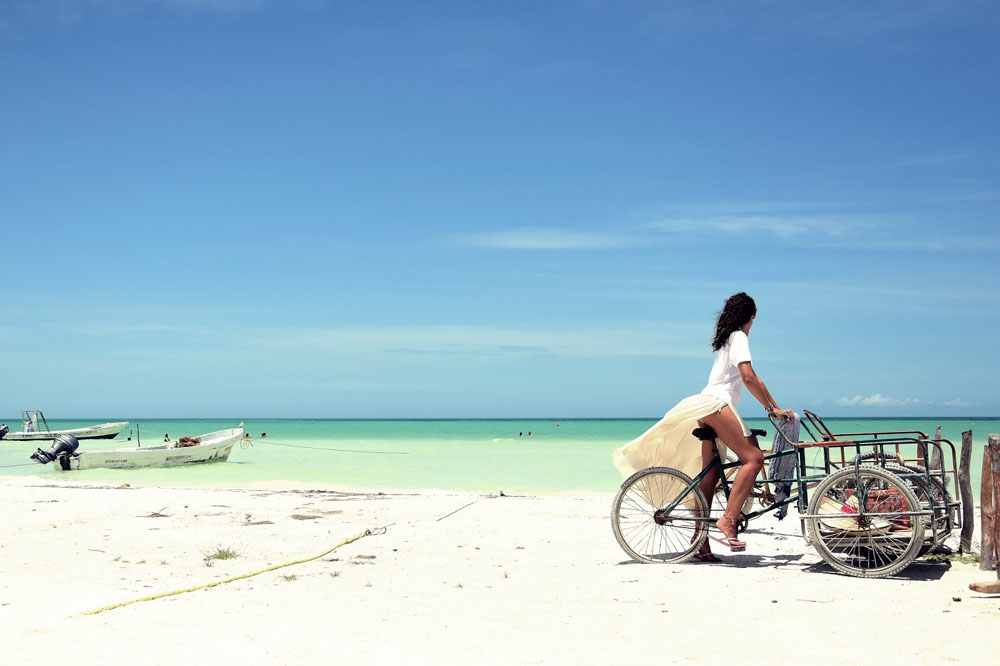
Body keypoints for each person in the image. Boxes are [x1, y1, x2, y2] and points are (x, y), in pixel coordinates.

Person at [613, 292, 793, 562]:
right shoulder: (739, 337)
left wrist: (773, 406)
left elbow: (753, 379)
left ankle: (700, 544)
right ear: (753, 316)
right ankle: (728, 520)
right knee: (754, 459)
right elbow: (749, 377)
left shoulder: (727, 339)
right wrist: (772, 409)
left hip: (707, 407)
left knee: (709, 478)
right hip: (716, 405)